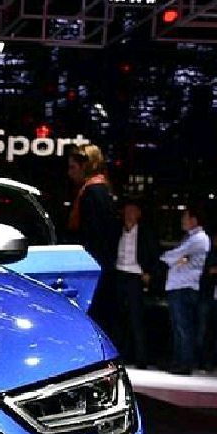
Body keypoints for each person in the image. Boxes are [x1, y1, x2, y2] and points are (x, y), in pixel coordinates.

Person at [66, 143, 120, 337]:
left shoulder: (93, 192)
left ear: (85, 166)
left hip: (95, 267)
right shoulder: (101, 189)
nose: (70, 173)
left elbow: (95, 237)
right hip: (102, 266)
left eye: (73, 167)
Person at [161, 204, 210, 376]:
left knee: (183, 327)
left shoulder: (199, 239)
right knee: (178, 327)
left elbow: (173, 255)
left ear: (194, 220)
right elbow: (178, 256)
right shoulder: (190, 238)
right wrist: (179, 258)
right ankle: (179, 360)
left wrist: (174, 258)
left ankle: (185, 363)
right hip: (179, 286)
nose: (182, 220)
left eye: (185, 217)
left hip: (184, 287)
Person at [113, 197, 160, 367]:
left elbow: (154, 255)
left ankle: (141, 358)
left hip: (135, 275)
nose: (129, 215)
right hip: (119, 274)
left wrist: (149, 273)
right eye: (126, 211)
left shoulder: (145, 233)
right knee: (118, 318)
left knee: (136, 318)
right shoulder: (116, 231)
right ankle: (119, 356)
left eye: (132, 212)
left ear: (138, 214)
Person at [198, 225, 217, 372]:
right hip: (209, 295)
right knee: (206, 330)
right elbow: (204, 271)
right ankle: (204, 360)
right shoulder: (208, 254)